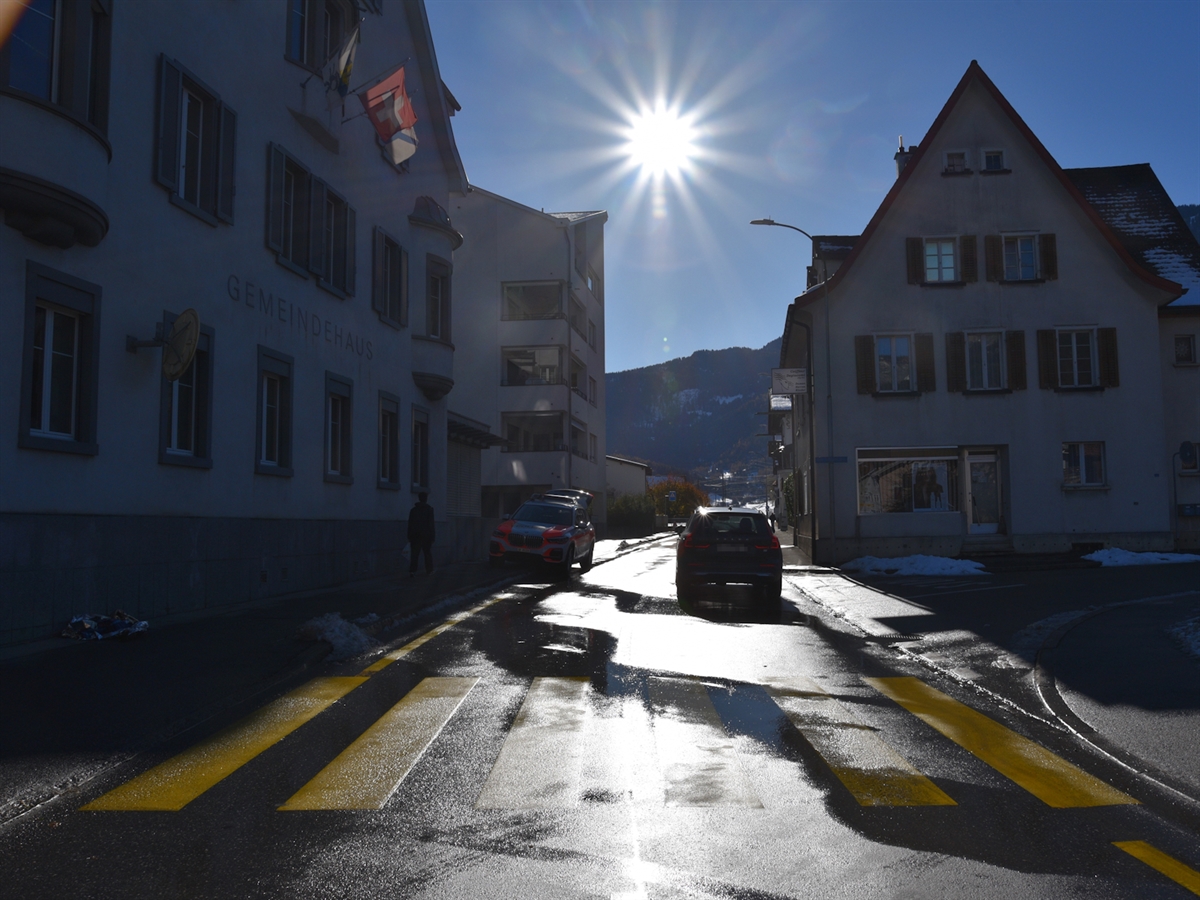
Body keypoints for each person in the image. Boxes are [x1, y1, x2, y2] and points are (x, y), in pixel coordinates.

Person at [407, 492, 435, 576]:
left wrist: (409, 535)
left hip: (415, 535)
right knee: (427, 553)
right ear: (426, 499)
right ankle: (429, 570)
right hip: (426, 535)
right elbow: (431, 524)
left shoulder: (413, 510)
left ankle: (412, 571)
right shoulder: (429, 510)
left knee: (414, 554)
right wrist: (432, 536)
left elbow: (410, 524)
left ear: (419, 499)